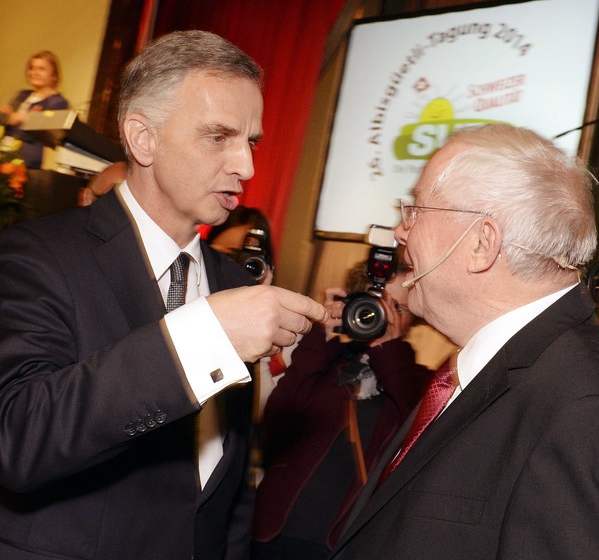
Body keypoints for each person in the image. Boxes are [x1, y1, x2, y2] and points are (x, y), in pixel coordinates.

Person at [0, 30, 328, 560]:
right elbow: (18, 437)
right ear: (142, 138)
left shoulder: (234, 283)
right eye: (219, 136)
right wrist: (204, 341)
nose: (246, 166)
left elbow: (226, 485)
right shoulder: (32, 256)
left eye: (252, 142)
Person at [329, 124, 599, 559]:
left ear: (481, 243)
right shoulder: (498, 367)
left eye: (416, 210)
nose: (400, 231)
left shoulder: (588, 410)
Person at [251, 259, 432, 559]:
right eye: (374, 305)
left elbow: (418, 433)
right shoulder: (324, 361)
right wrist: (322, 332)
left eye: (397, 308)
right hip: (274, 532)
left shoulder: (419, 383)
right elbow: (277, 420)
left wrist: (389, 351)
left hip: (343, 545)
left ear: (416, 318)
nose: (383, 316)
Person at [0, 51, 69, 169]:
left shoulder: (57, 102)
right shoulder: (22, 95)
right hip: (3, 154)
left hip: (26, 162)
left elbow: (39, 134)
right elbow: (2, 117)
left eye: (41, 69)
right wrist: (22, 118)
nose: (35, 73)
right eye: (32, 68)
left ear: (54, 75)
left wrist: (15, 117)